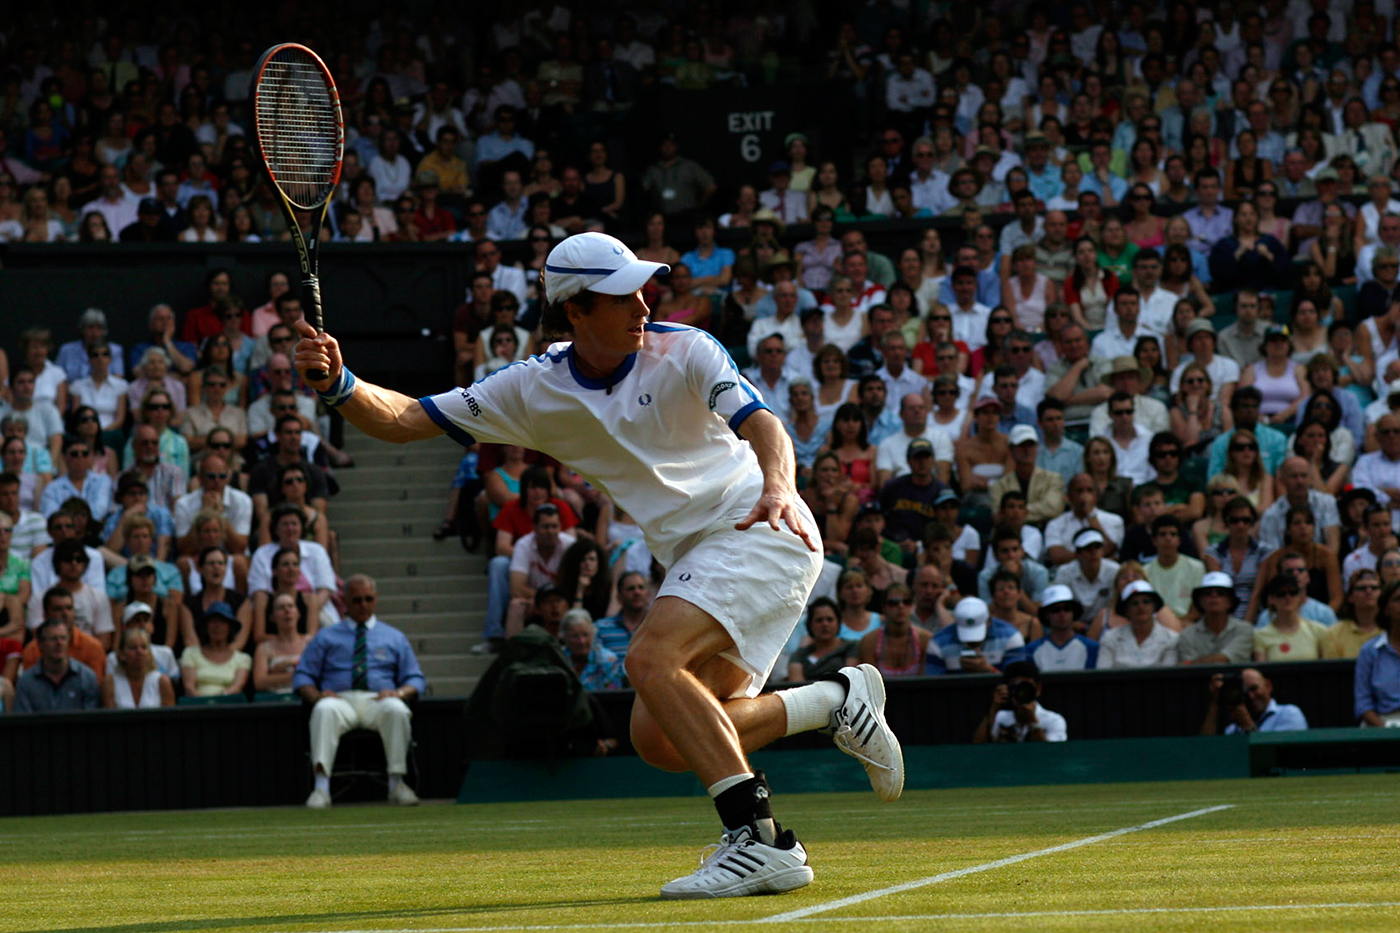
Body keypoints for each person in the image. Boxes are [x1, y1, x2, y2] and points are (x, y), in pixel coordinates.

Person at [293, 230, 902, 897]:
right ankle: (835, 699)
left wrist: (779, 485)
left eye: (643, 287)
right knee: (661, 738)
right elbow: (407, 417)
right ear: (576, 310)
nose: (642, 304)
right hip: (703, 554)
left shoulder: (686, 348)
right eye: (620, 295)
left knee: (648, 657)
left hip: (762, 523)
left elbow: (764, 427)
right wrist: (339, 383)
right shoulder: (532, 388)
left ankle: (760, 839)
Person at [293, 575, 425, 808]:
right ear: (345, 601)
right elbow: (303, 675)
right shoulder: (326, 636)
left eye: (368, 599)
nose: (363, 605)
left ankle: (397, 784)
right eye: (356, 600)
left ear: (376, 600)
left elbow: (414, 677)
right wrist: (316, 696)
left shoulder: (394, 636)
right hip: (339, 699)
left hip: (379, 699)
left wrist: (400, 694)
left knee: (397, 710)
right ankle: (321, 788)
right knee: (323, 710)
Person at [13, 617, 100, 712]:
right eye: (53, 639)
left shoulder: (87, 677)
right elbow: (24, 723)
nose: (59, 643)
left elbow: (91, 721)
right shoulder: (26, 682)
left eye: (63, 638)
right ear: (41, 644)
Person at [972, 659, 1068, 742]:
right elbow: (978, 747)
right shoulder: (1000, 718)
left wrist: (1033, 722)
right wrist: (994, 708)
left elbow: (1052, 754)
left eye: (1026, 687)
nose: (1021, 692)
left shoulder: (1054, 721)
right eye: (1016, 688)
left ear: (1038, 689)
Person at [927, 595, 1026, 675]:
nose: (972, 642)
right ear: (956, 623)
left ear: (989, 621)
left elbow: (1018, 683)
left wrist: (988, 670)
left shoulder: (1011, 637)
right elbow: (934, 689)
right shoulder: (938, 643)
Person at [1096, 581, 1180, 668]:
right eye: (1134, 603)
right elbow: (1103, 675)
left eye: (1146, 602)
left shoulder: (1171, 639)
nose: (1141, 607)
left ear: (1154, 607)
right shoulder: (1110, 638)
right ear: (1126, 610)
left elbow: (1168, 677)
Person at [1201, 668, 1309, 735]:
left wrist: (1249, 727)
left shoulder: (1289, 714)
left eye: (1254, 689)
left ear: (1268, 686)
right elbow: (1204, 749)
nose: (1251, 696)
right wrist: (1215, 702)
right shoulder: (1234, 728)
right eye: (1245, 692)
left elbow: (1282, 754)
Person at [1177, 572, 1254, 664]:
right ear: (1200, 601)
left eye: (1221, 593)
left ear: (1230, 601)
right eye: (1207, 593)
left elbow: (1224, 659)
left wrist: (1195, 662)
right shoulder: (1187, 634)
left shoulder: (1244, 630)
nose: (1214, 596)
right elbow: (1187, 670)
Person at [1253, 572, 1332, 662]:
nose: (1288, 597)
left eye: (1293, 592)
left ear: (1299, 596)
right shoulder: (1261, 636)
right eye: (1281, 594)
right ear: (1271, 599)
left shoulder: (1318, 631)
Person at [1354, 581, 1400, 726]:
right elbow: (1363, 705)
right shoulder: (1370, 651)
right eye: (1398, 599)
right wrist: (1385, 731)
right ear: (1386, 609)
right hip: (1383, 724)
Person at [101, 625, 174, 709]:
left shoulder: (162, 682)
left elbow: (170, 719)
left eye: (144, 647)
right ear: (122, 653)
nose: (139, 652)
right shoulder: (110, 682)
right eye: (133, 648)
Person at [1325, 569, 1385, 660]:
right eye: (1362, 588)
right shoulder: (1334, 633)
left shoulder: (1393, 630)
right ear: (1350, 597)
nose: (1368, 591)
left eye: (1374, 588)